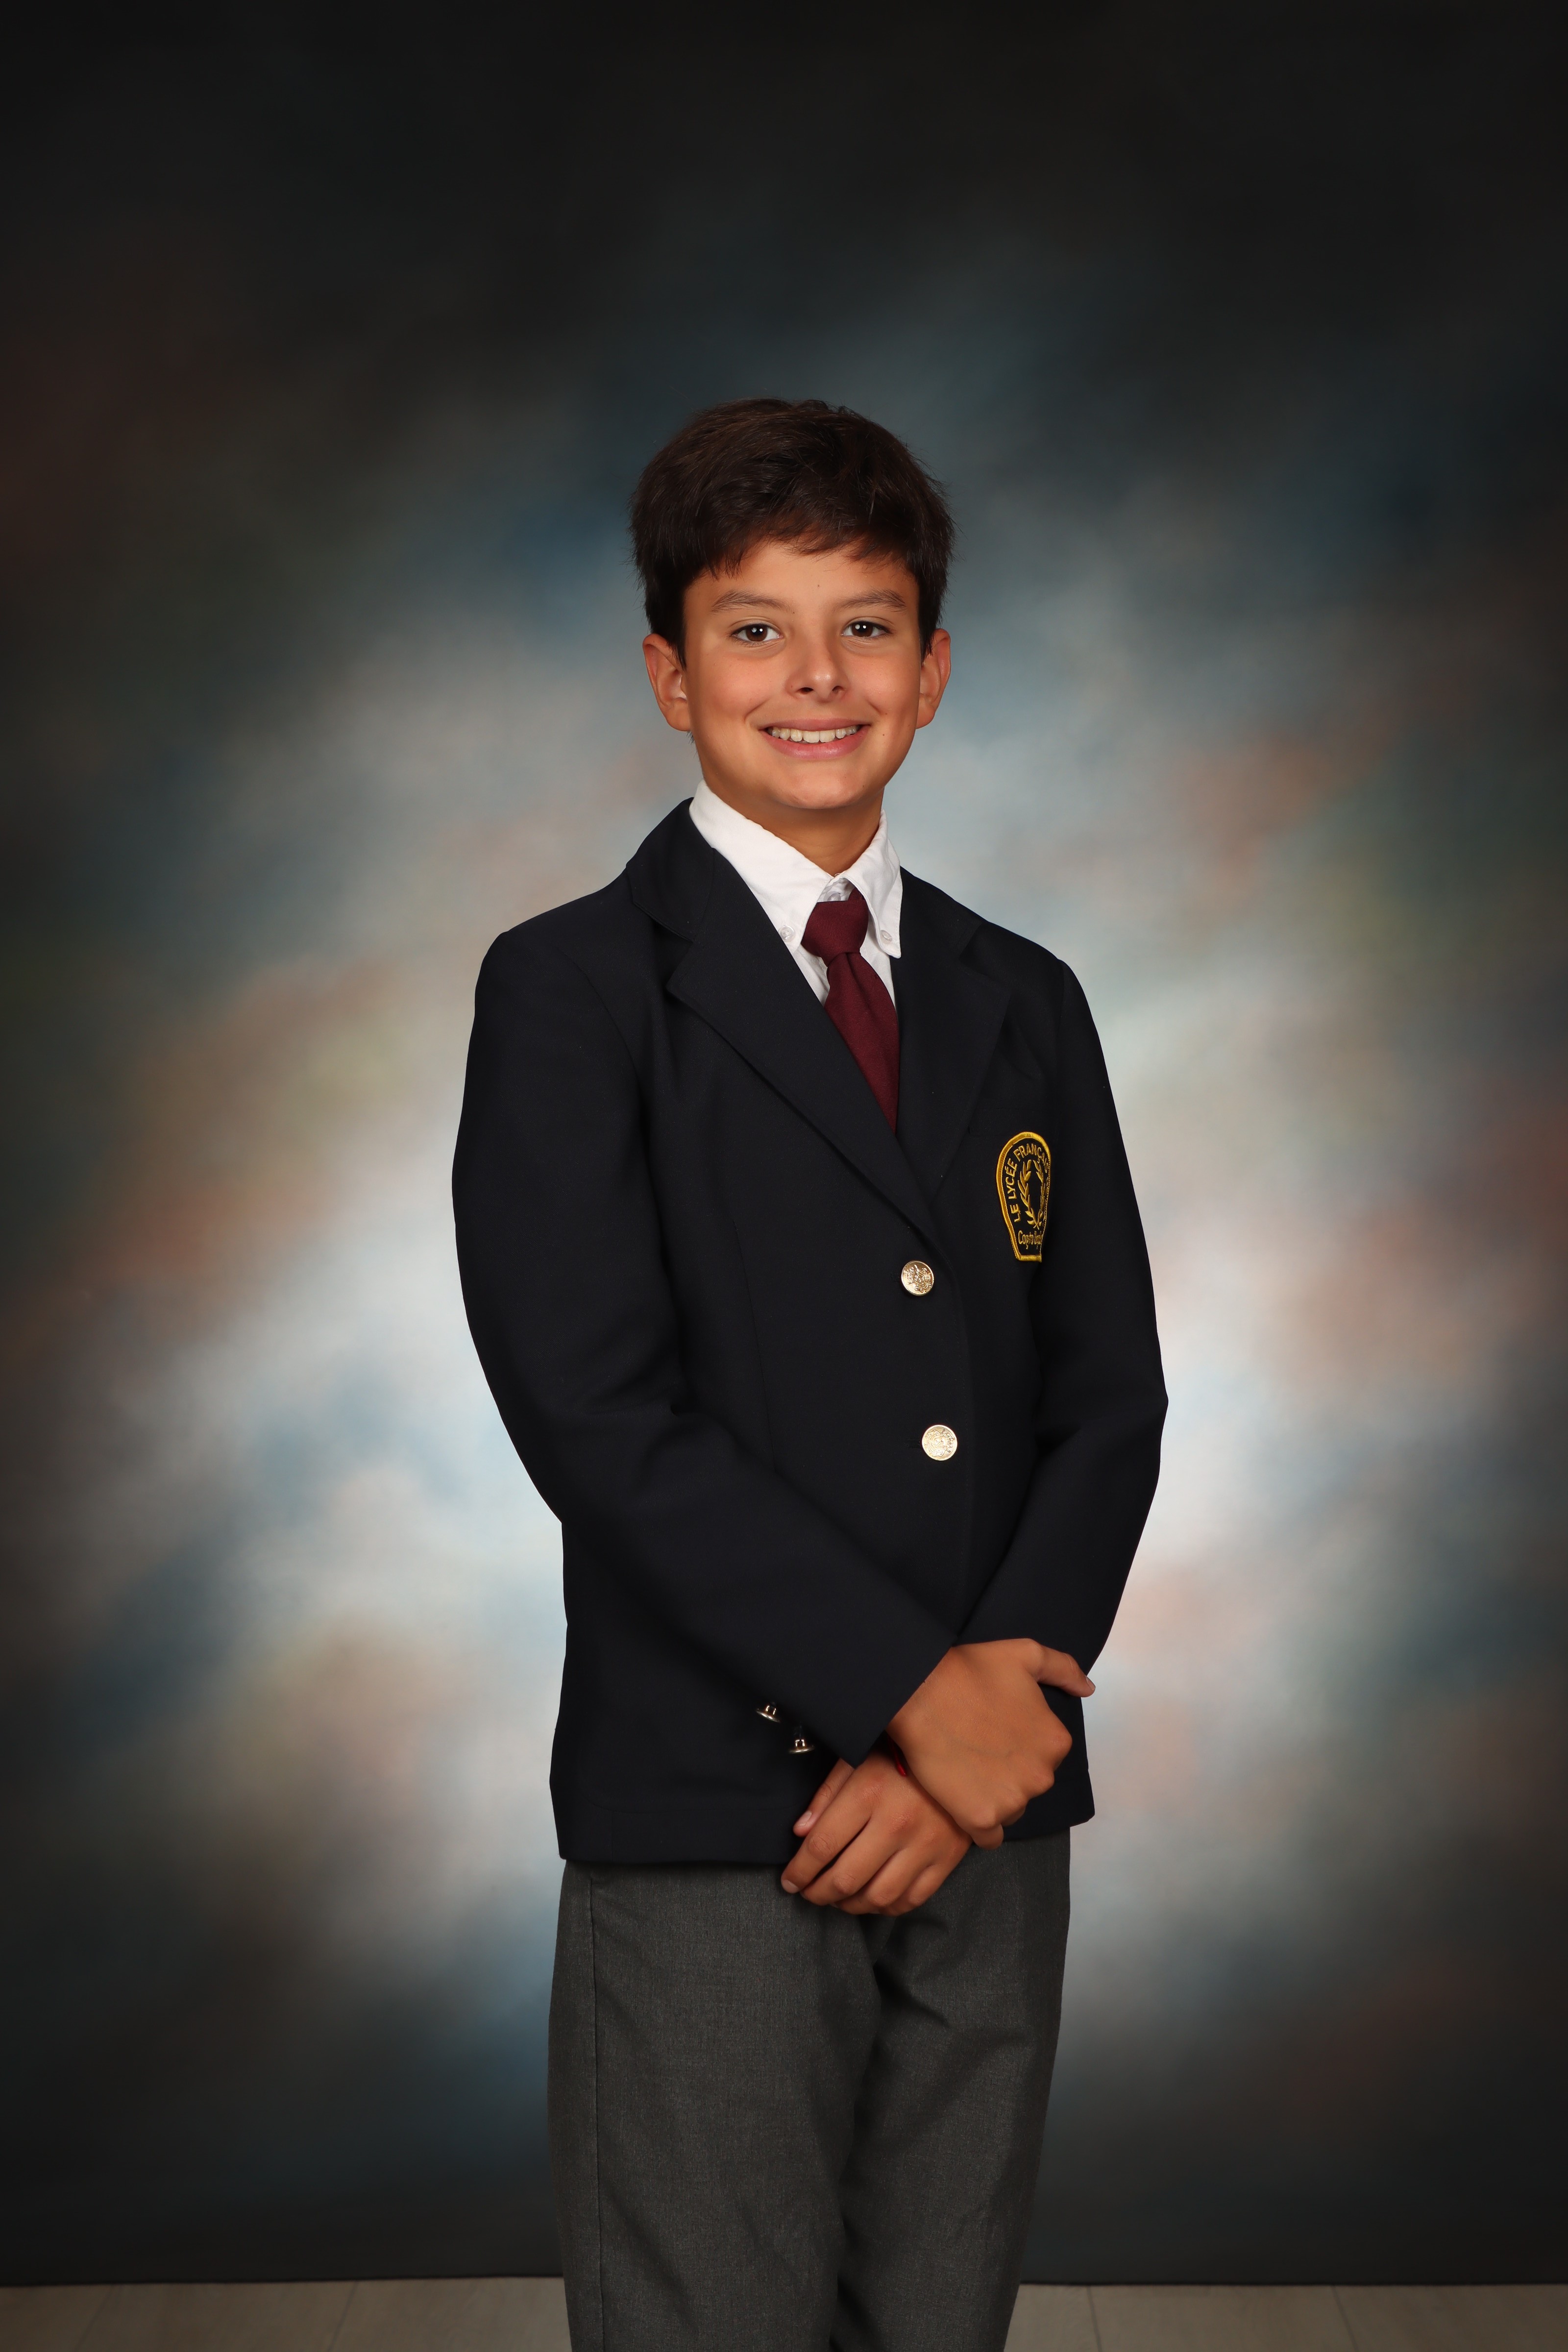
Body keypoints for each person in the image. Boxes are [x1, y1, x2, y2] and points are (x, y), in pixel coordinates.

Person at [452, 397, 1166, 2352]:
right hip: (721, 1813)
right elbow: (598, 1416)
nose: (816, 676)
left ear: (930, 672)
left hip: (989, 1816)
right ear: (669, 674)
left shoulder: (1024, 998)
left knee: (936, 2320)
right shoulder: (573, 990)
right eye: (754, 629)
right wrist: (906, 1702)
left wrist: (992, 1715)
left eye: (865, 627)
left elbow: (1106, 1396)